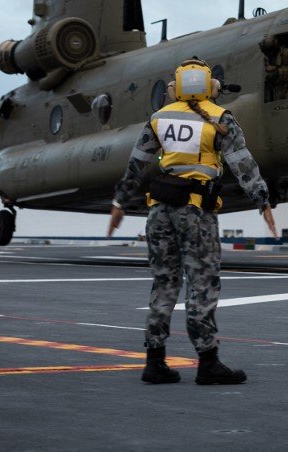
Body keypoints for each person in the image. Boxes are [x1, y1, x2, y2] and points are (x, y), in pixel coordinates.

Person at [108, 58, 278, 385]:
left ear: (175, 87)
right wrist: (262, 201)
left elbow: (136, 165)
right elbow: (243, 164)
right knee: (202, 282)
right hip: (195, 211)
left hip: (159, 211)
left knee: (164, 281)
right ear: (211, 87)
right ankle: (207, 361)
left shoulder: (159, 119)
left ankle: (154, 361)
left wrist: (119, 202)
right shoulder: (219, 119)